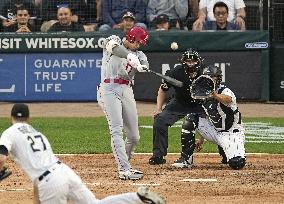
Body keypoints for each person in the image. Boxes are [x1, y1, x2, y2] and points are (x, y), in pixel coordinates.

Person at [0, 103, 166, 204]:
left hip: (49, 182)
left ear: (11, 117)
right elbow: (38, 175)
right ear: (28, 118)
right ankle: (137, 198)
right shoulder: (37, 133)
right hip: (63, 171)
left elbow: (1, 157)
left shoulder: (9, 133)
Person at [97, 26, 150, 180]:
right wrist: (129, 57)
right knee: (116, 128)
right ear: (131, 38)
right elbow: (113, 48)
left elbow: (145, 63)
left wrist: (141, 66)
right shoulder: (114, 39)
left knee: (134, 136)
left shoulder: (140, 54)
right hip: (108, 88)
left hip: (126, 89)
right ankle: (124, 169)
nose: (139, 46)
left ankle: (124, 161)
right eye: (138, 42)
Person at [175, 65, 246, 170]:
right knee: (191, 117)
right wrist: (201, 139)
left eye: (213, 77)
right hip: (214, 130)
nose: (210, 79)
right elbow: (206, 117)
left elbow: (228, 100)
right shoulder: (203, 94)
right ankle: (186, 159)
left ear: (218, 78)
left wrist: (215, 96)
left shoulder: (225, 91)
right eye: (207, 77)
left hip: (231, 132)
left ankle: (227, 152)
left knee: (237, 163)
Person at [148, 49, 205, 166]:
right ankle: (158, 155)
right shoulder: (175, 72)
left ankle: (227, 155)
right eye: (187, 61)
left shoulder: (205, 73)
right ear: (183, 62)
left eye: (193, 61)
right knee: (160, 120)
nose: (190, 63)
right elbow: (162, 90)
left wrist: (201, 138)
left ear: (198, 61)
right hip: (179, 103)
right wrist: (159, 109)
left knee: (218, 121)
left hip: (199, 104)